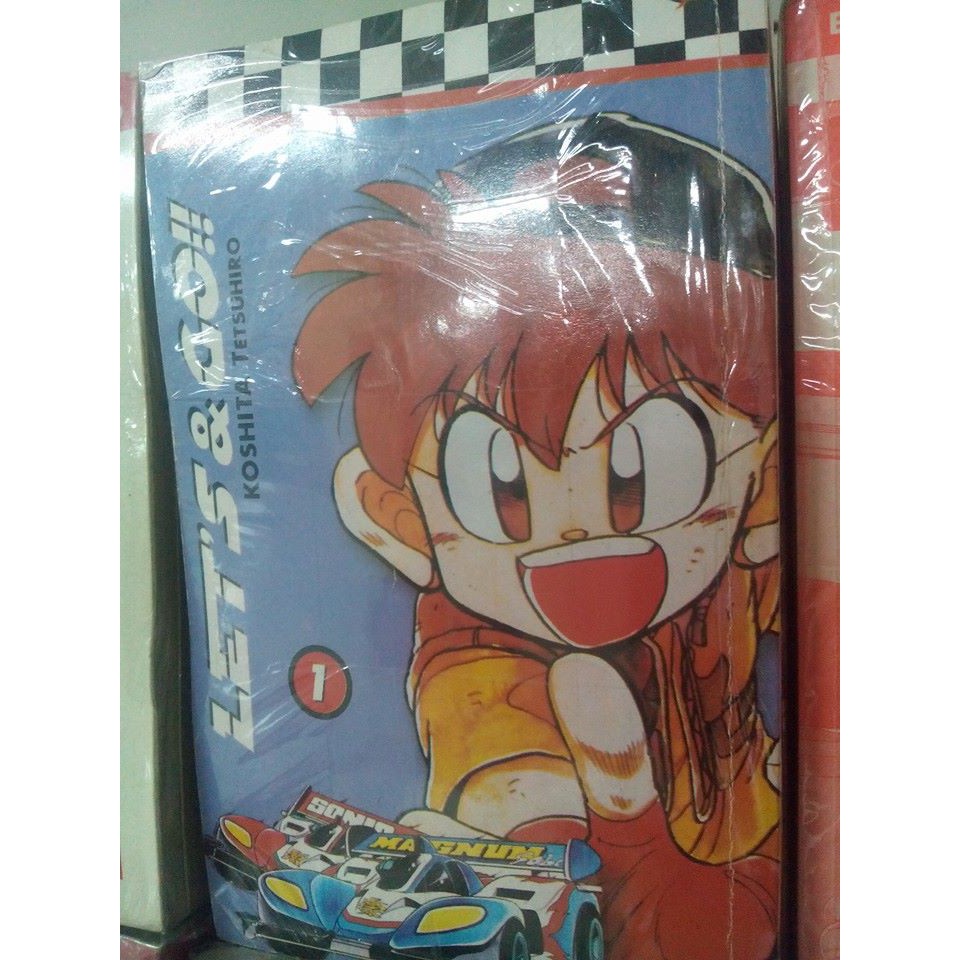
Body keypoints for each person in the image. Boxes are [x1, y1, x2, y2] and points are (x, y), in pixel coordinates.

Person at [293, 113, 782, 960]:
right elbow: (500, 745)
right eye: (504, 492)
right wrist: (572, 844)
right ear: (400, 519)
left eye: (636, 476)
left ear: (765, 484)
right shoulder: (480, 636)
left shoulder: (745, 564)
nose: (578, 540)